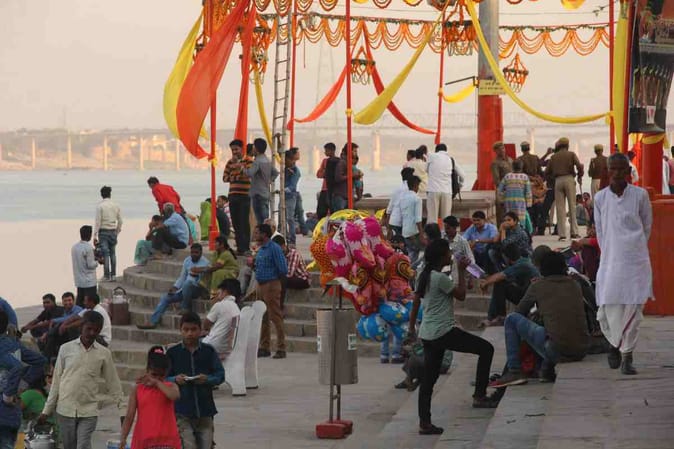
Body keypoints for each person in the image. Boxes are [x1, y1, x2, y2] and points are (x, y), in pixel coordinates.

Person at [408, 240, 497, 435]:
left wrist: (411, 329)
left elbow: (415, 302)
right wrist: (462, 270)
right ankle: (479, 396)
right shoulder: (439, 278)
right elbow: (461, 295)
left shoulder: (424, 275)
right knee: (486, 349)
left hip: (428, 333)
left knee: (429, 380)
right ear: (441, 257)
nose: (451, 255)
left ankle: (425, 422)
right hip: (443, 331)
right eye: (448, 253)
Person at [490, 251, 589, 387]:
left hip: (557, 351)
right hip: (581, 349)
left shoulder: (538, 286)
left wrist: (535, 292)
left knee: (511, 319)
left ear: (541, 268)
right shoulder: (575, 284)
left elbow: (519, 312)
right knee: (552, 328)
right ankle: (545, 370)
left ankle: (514, 371)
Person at [594, 153, 652, 375]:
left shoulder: (640, 196)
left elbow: (646, 227)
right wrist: (611, 251)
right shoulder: (600, 198)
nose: (617, 173)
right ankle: (614, 343)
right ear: (608, 171)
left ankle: (627, 356)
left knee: (634, 309)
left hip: (636, 261)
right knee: (609, 307)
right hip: (610, 261)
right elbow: (600, 231)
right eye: (613, 169)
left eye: (621, 169)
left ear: (628, 172)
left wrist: (633, 249)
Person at [39, 311, 124, 449]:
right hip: (65, 410)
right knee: (69, 446)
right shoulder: (65, 349)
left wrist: (122, 411)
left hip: (89, 411)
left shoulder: (104, 354)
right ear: (81, 327)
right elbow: (56, 382)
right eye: (88, 329)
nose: (91, 333)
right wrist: (46, 411)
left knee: (83, 445)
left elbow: (113, 383)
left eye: (96, 330)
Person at [166, 312, 224, 449]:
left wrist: (207, 379)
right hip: (182, 411)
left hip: (205, 410)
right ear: (180, 330)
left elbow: (220, 375)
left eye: (193, 329)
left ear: (200, 330)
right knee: (188, 445)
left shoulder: (208, 351)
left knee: (206, 444)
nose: (190, 334)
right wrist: (175, 379)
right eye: (186, 330)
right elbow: (163, 378)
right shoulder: (173, 353)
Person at [0, 310, 46, 449]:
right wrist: (23, 384)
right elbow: (41, 361)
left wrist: (8, 395)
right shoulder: (14, 345)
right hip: (11, 414)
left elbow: (16, 366)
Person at [120, 346, 181, 449]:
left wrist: (157, 383)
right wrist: (123, 437)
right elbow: (130, 416)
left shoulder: (170, 386)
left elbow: (174, 396)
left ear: (166, 373)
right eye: (154, 375)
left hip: (167, 441)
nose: (157, 378)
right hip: (144, 440)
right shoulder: (138, 389)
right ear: (147, 371)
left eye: (161, 375)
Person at [137, 244, 210, 329]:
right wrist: (175, 287)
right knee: (165, 297)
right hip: (183, 289)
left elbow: (205, 281)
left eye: (196, 252)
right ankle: (153, 321)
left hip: (196, 289)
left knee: (188, 283)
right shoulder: (187, 260)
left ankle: (185, 308)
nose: (194, 254)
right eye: (192, 252)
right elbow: (182, 277)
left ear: (201, 253)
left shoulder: (206, 263)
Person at [480, 243, 539, 327]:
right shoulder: (524, 261)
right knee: (501, 284)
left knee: (500, 283)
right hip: (529, 296)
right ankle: (493, 317)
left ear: (507, 257)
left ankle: (499, 317)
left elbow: (500, 276)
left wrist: (485, 283)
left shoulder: (522, 265)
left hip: (530, 300)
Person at [253, 223, 288, 359]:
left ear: (264, 234)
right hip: (261, 284)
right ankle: (264, 346)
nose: (255, 235)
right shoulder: (261, 249)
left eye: (257, 233)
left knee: (275, 316)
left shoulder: (274, 248)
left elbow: (283, 268)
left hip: (271, 284)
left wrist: (275, 282)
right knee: (263, 317)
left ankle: (281, 347)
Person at [545, 137, 584, 241]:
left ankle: (562, 234)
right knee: (572, 206)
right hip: (569, 179)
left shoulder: (553, 157)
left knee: (560, 208)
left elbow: (547, 172)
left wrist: (552, 181)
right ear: (567, 145)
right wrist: (580, 175)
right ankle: (574, 232)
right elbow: (579, 166)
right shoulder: (571, 154)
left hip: (558, 181)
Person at [223, 139, 253, 255]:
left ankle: (246, 247)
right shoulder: (229, 163)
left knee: (244, 222)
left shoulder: (248, 161)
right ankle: (240, 247)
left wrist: (237, 171)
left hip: (245, 195)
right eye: (232, 150)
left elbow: (248, 176)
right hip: (233, 195)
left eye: (236, 149)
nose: (234, 152)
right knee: (236, 223)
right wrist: (237, 175)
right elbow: (225, 178)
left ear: (242, 149)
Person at [202, 279, 242, 360]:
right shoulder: (236, 308)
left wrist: (214, 304)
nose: (217, 292)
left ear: (225, 291)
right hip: (225, 347)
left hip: (212, 345)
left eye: (219, 290)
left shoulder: (219, 305)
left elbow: (205, 325)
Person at [426, 143, 465, 225]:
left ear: (436, 150)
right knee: (446, 219)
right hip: (447, 192)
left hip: (433, 190)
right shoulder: (451, 160)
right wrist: (460, 186)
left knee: (432, 219)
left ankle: (432, 232)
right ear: (446, 151)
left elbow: (425, 170)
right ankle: (446, 232)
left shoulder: (431, 157)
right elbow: (462, 175)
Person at [245, 138, 279, 225]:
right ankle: (268, 231)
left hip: (257, 193)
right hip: (265, 192)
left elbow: (250, 173)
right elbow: (275, 173)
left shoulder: (257, 161)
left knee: (260, 220)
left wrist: (242, 169)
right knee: (265, 218)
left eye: (253, 147)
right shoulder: (267, 160)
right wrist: (270, 180)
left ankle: (263, 232)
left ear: (256, 149)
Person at [93, 185, 123, 282]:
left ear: (101, 195)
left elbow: (98, 222)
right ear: (110, 194)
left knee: (105, 254)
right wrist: (117, 231)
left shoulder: (100, 206)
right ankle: (113, 275)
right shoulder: (116, 205)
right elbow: (120, 221)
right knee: (113, 253)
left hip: (103, 232)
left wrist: (95, 235)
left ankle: (106, 275)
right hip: (113, 231)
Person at [41, 292, 83, 359]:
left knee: (53, 334)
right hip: (64, 333)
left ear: (73, 301)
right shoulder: (64, 311)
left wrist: (54, 321)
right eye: (65, 301)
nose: (67, 302)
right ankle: (49, 357)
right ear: (62, 302)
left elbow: (70, 318)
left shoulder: (78, 309)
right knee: (52, 335)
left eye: (69, 300)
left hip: (76, 334)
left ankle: (47, 357)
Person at [399, 175, 426, 266]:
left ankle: (406, 269)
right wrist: (422, 235)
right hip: (414, 232)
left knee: (412, 253)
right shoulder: (417, 199)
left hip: (405, 231)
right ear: (416, 185)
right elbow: (418, 219)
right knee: (426, 250)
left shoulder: (402, 198)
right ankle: (412, 270)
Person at [381, 167, 415, 239]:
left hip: (395, 221)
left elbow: (389, 209)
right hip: (406, 222)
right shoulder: (412, 189)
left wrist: (389, 227)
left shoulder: (397, 189)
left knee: (398, 241)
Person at [498, 160, 532, 224]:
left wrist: (502, 201)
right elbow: (528, 192)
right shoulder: (524, 177)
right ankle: (520, 228)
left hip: (509, 202)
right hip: (521, 202)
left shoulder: (507, 176)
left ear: (512, 167)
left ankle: (509, 228)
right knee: (520, 219)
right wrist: (529, 204)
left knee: (509, 218)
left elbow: (500, 190)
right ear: (521, 167)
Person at [71, 225, 98, 307]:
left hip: (79, 281)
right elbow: (90, 265)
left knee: (80, 305)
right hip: (89, 282)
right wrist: (98, 261)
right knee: (90, 305)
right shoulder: (88, 248)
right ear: (89, 235)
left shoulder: (74, 247)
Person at [332, 143, 359, 212]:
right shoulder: (342, 163)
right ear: (349, 151)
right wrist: (352, 176)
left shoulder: (349, 163)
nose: (356, 153)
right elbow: (338, 178)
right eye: (354, 151)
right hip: (341, 196)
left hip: (348, 196)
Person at [490, 141, 513, 223]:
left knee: (511, 213)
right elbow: (496, 180)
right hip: (502, 191)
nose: (502, 150)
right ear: (495, 151)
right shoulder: (495, 163)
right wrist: (504, 189)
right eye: (499, 149)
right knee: (502, 214)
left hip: (513, 190)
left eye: (503, 148)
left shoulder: (510, 160)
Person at [316, 142, 339, 219]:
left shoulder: (337, 161)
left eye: (326, 151)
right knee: (321, 211)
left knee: (330, 209)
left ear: (332, 151)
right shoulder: (325, 161)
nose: (325, 152)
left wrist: (326, 173)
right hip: (326, 189)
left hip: (330, 189)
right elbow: (318, 174)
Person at [284, 148, 301, 245]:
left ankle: (292, 239)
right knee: (282, 218)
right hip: (284, 196)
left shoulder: (295, 171)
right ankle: (284, 237)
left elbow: (292, 185)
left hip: (291, 197)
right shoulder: (285, 169)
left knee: (290, 218)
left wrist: (284, 189)